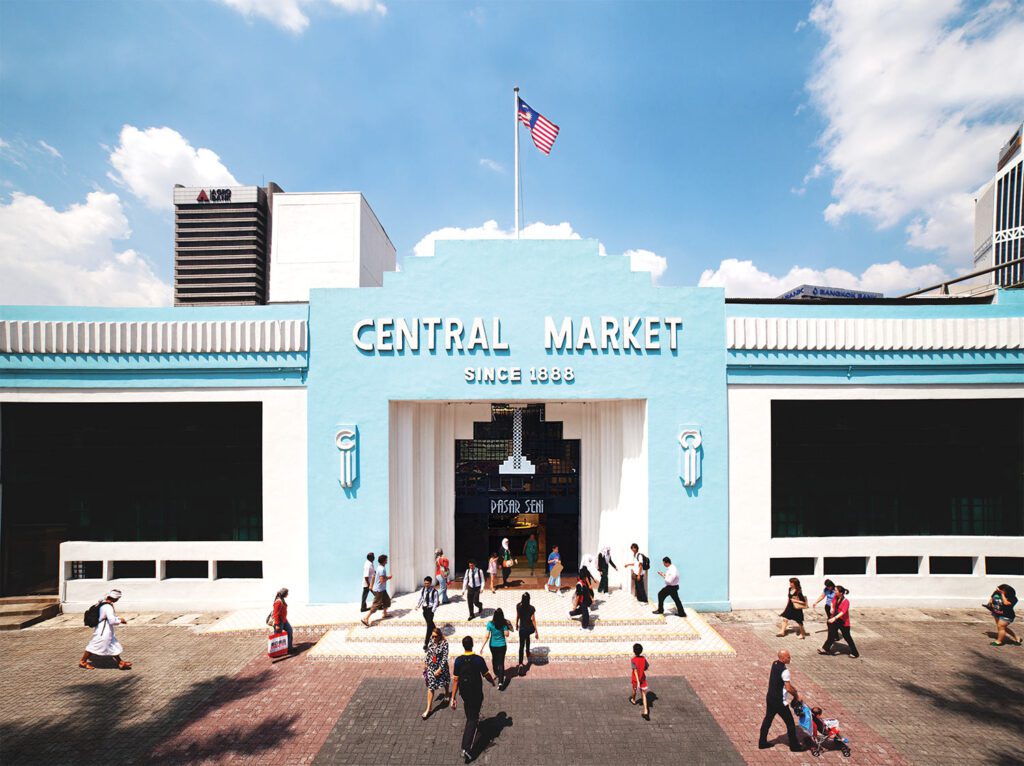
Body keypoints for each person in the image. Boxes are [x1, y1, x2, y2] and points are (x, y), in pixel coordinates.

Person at [451, 635, 496, 764]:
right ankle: (466, 748)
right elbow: (486, 674)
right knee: (472, 719)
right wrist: (492, 682)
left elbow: (456, 680)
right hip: (476, 693)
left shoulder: (458, 661)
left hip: (465, 694)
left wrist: (453, 697)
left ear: (463, 645)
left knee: (469, 712)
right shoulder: (478, 660)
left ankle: (472, 719)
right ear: (472, 645)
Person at [757, 649, 804, 751]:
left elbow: (784, 683)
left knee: (768, 720)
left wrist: (794, 689)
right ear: (782, 658)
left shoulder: (775, 664)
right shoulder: (785, 671)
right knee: (790, 723)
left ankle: (762, 742)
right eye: (788, 657)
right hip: (779, 701)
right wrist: (796, 695)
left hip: (770, 698)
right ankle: (794, 746)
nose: (790, 658)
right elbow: (787, 687)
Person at [79, 589, 131, 670]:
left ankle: (120, 662)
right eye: (118, 598)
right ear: (115, 598)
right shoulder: (107, 606)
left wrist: (118, 618)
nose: (118, 600)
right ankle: (83, 662)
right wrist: (121, 620)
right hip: (103, 630)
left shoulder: (103, 603)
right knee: (95, 645)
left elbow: (107, 617)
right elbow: (112, 620)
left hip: (104, 628)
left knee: (112, 644)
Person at [818, 585, 859, 658]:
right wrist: (831, 608)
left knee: (847, 637)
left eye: (836, 590)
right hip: (835, 620)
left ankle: (855, 653)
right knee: (831, 635)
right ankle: (825, 649)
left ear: (841, 593)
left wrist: (834, 618)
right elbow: (832, 603)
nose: (834, 592)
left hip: (843, 622)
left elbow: (843, 612)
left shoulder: (846, 601)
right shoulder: (835, 597)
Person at [421, 626, 451, 719]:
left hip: (441, 667)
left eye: (435, 637)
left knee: (445, 681)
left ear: (439, 636)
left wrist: (440, 669)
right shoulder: (431, 640)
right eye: (432, 636)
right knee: (431, 687)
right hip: (431, 667)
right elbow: (429, 653)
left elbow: (444, 657)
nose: (433, 638)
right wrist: (425, 661)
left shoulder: (444, 643)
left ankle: (446, 693)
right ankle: (429, 708)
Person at [484, 607, 512, 690]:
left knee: (494, 660)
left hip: (493, 645)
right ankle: (500, 682)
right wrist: (507, 628)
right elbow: (507, 635)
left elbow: (487, 636)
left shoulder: (490, 623)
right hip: (502, 646)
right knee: (501, 663)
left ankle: (496, 672)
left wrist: (482, 646)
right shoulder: (504, 624)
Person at [362, 554, 391, 627]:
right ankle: (366, 618)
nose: (387, 561)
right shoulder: (382, 569)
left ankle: (385, 613)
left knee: (387, 601)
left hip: (382, 589)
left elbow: (374, 576)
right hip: (379, 590)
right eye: (386, 560)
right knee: (376, 605)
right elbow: (382, 580)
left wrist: (371, 586)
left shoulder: (379, 567)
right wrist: (388, 578)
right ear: (384, 561)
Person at [417, 576, 440, 651]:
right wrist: (418, 605)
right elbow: (422, 598)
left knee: (428, 627)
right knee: (431, 625)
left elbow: (436, 602)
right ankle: (438, 633)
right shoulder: (423, 589)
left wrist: (432, 611)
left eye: (427, 583)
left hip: (430, 610)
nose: (426, 585)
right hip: (424, 610)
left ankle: (426, 643)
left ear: (430, 583)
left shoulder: (435, 591)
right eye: (425, 583)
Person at [515, 592, 538, 668]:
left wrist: (516, 624)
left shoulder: (518, 606)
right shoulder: (531, 608)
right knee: (527, 637)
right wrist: (536, 631)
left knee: (521, 645)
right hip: (528, 628)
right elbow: (533, 620)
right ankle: (527, 652)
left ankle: (520, 663)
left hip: (522, 628)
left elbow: (518, 616)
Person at [629, 642, 650, 720]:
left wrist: (637, 681)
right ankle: (645, 711)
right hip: (643, 678)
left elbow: (635, 671)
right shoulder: (643, 658)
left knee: (634, 690)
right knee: (644, 695)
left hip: (636, 679)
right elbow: (646, 667)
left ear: (634, 651)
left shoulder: (633, 660)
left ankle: (633, 700)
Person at [271, 587, 294, 653]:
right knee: (277, 636)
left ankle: (289, 648)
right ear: (284, 594)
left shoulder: (282, 599)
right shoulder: (278, 602)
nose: (288, 594)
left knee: (289, 631)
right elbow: (276, 614)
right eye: (287, 593)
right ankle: (276, 651)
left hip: (284, 620)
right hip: (279, 622)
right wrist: (277, 624)